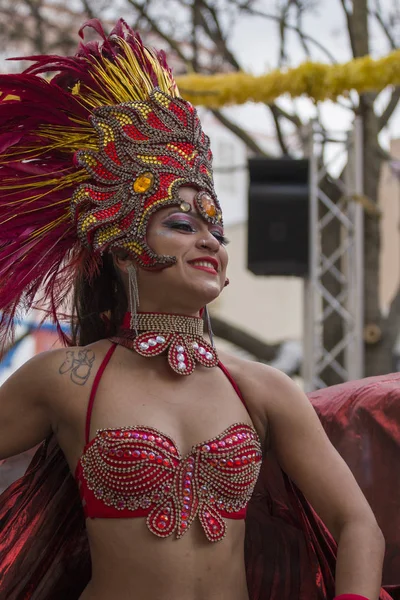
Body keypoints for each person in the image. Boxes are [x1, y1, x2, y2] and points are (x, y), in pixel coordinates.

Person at [0, 18, 390, 600]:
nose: (210, 240)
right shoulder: (69, 378)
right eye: (181, 224)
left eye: (216, 228)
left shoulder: (262, 389)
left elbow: (359, 525)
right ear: (123, 251)